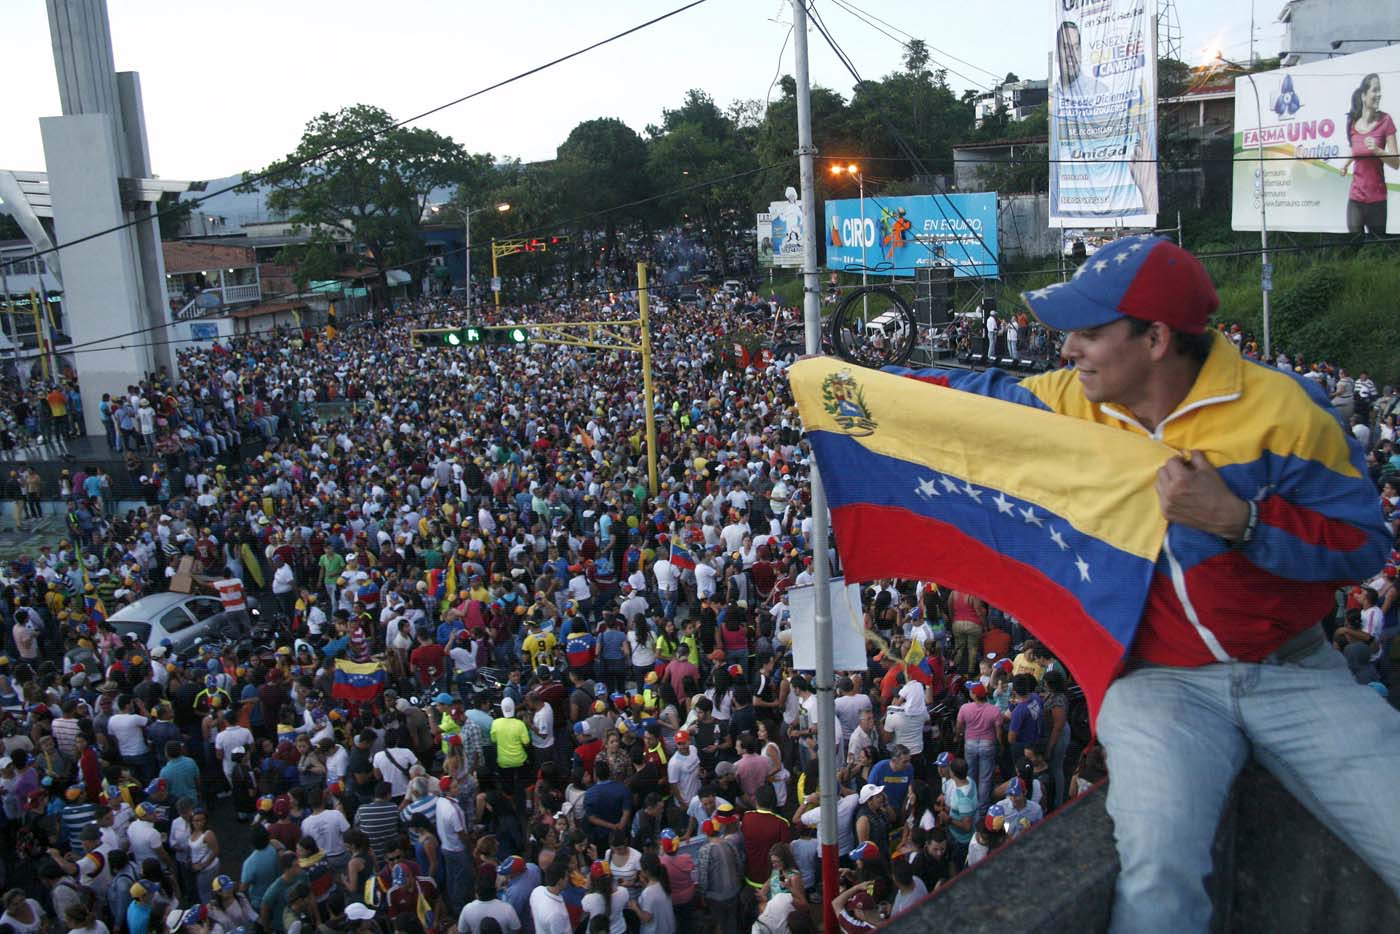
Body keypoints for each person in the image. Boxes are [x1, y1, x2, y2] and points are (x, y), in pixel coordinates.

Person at [911, 235, 1399, 933]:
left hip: (1297, 672)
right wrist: (839, 382)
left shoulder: (1286, 413)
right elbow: (970, 400)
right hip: (1159, 683)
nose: (1067, 350)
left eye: (1089, 332)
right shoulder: (1070, 401)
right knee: (1159, 879)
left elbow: (1364, 545)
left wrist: (1243, 521)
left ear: (1156, 338)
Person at [1341, 73, 1398, 235]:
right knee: (1354, 244)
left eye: (1380, 90)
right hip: (1356, 197)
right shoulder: (1352, 124)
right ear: (1364, 96)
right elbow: (1356, 150)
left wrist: (1378, 150)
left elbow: (1396, 163)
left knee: (1377, 249)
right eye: (1375, 90)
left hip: (1377, 199)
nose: (1379, 94)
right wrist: (1345, 164)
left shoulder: (1386, 121)